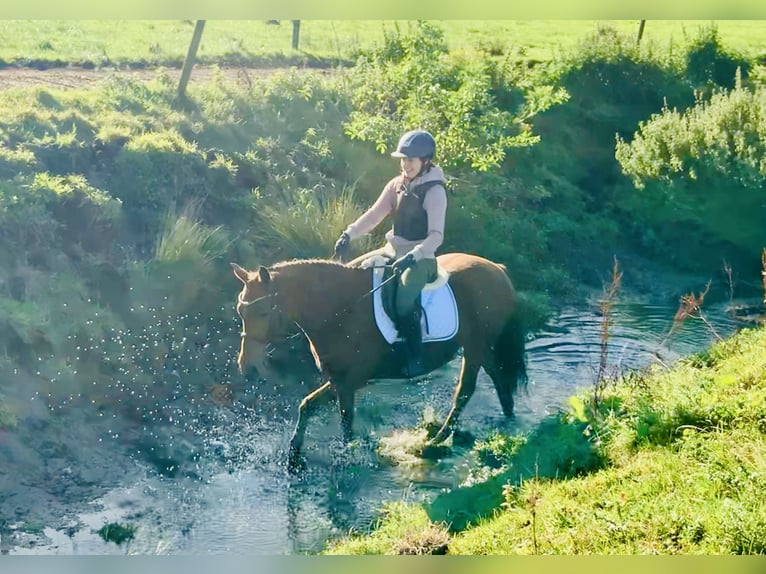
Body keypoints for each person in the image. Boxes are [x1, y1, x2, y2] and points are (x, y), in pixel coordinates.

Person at [333, 129, 448, 377]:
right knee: (351, 273)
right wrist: (349, 233)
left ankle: (415, 356)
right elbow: (375, 215)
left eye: (411, 160)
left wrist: (415, 255)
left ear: (425, 161)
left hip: (421, 258)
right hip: (391, 250)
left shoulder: (435, 191)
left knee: (404, 300)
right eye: (403, 160)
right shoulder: (396, 185)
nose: (406, 165)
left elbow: (436, 236)